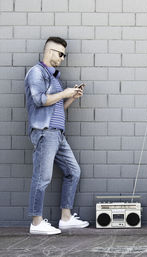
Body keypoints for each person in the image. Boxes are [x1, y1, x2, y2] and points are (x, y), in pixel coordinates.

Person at [25, 37, 89, 235]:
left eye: (64, 55)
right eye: (60, 54)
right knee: (42, 177)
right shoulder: (36, 72)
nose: (62, 58)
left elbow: (57, 107)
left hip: (58, 134)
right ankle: (36, 223)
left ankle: (66, 218)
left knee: (73, 171)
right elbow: (39, 100)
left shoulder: (53, 78)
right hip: (45, 133)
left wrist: (71, 97)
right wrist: (64, 93)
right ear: (50, 51)